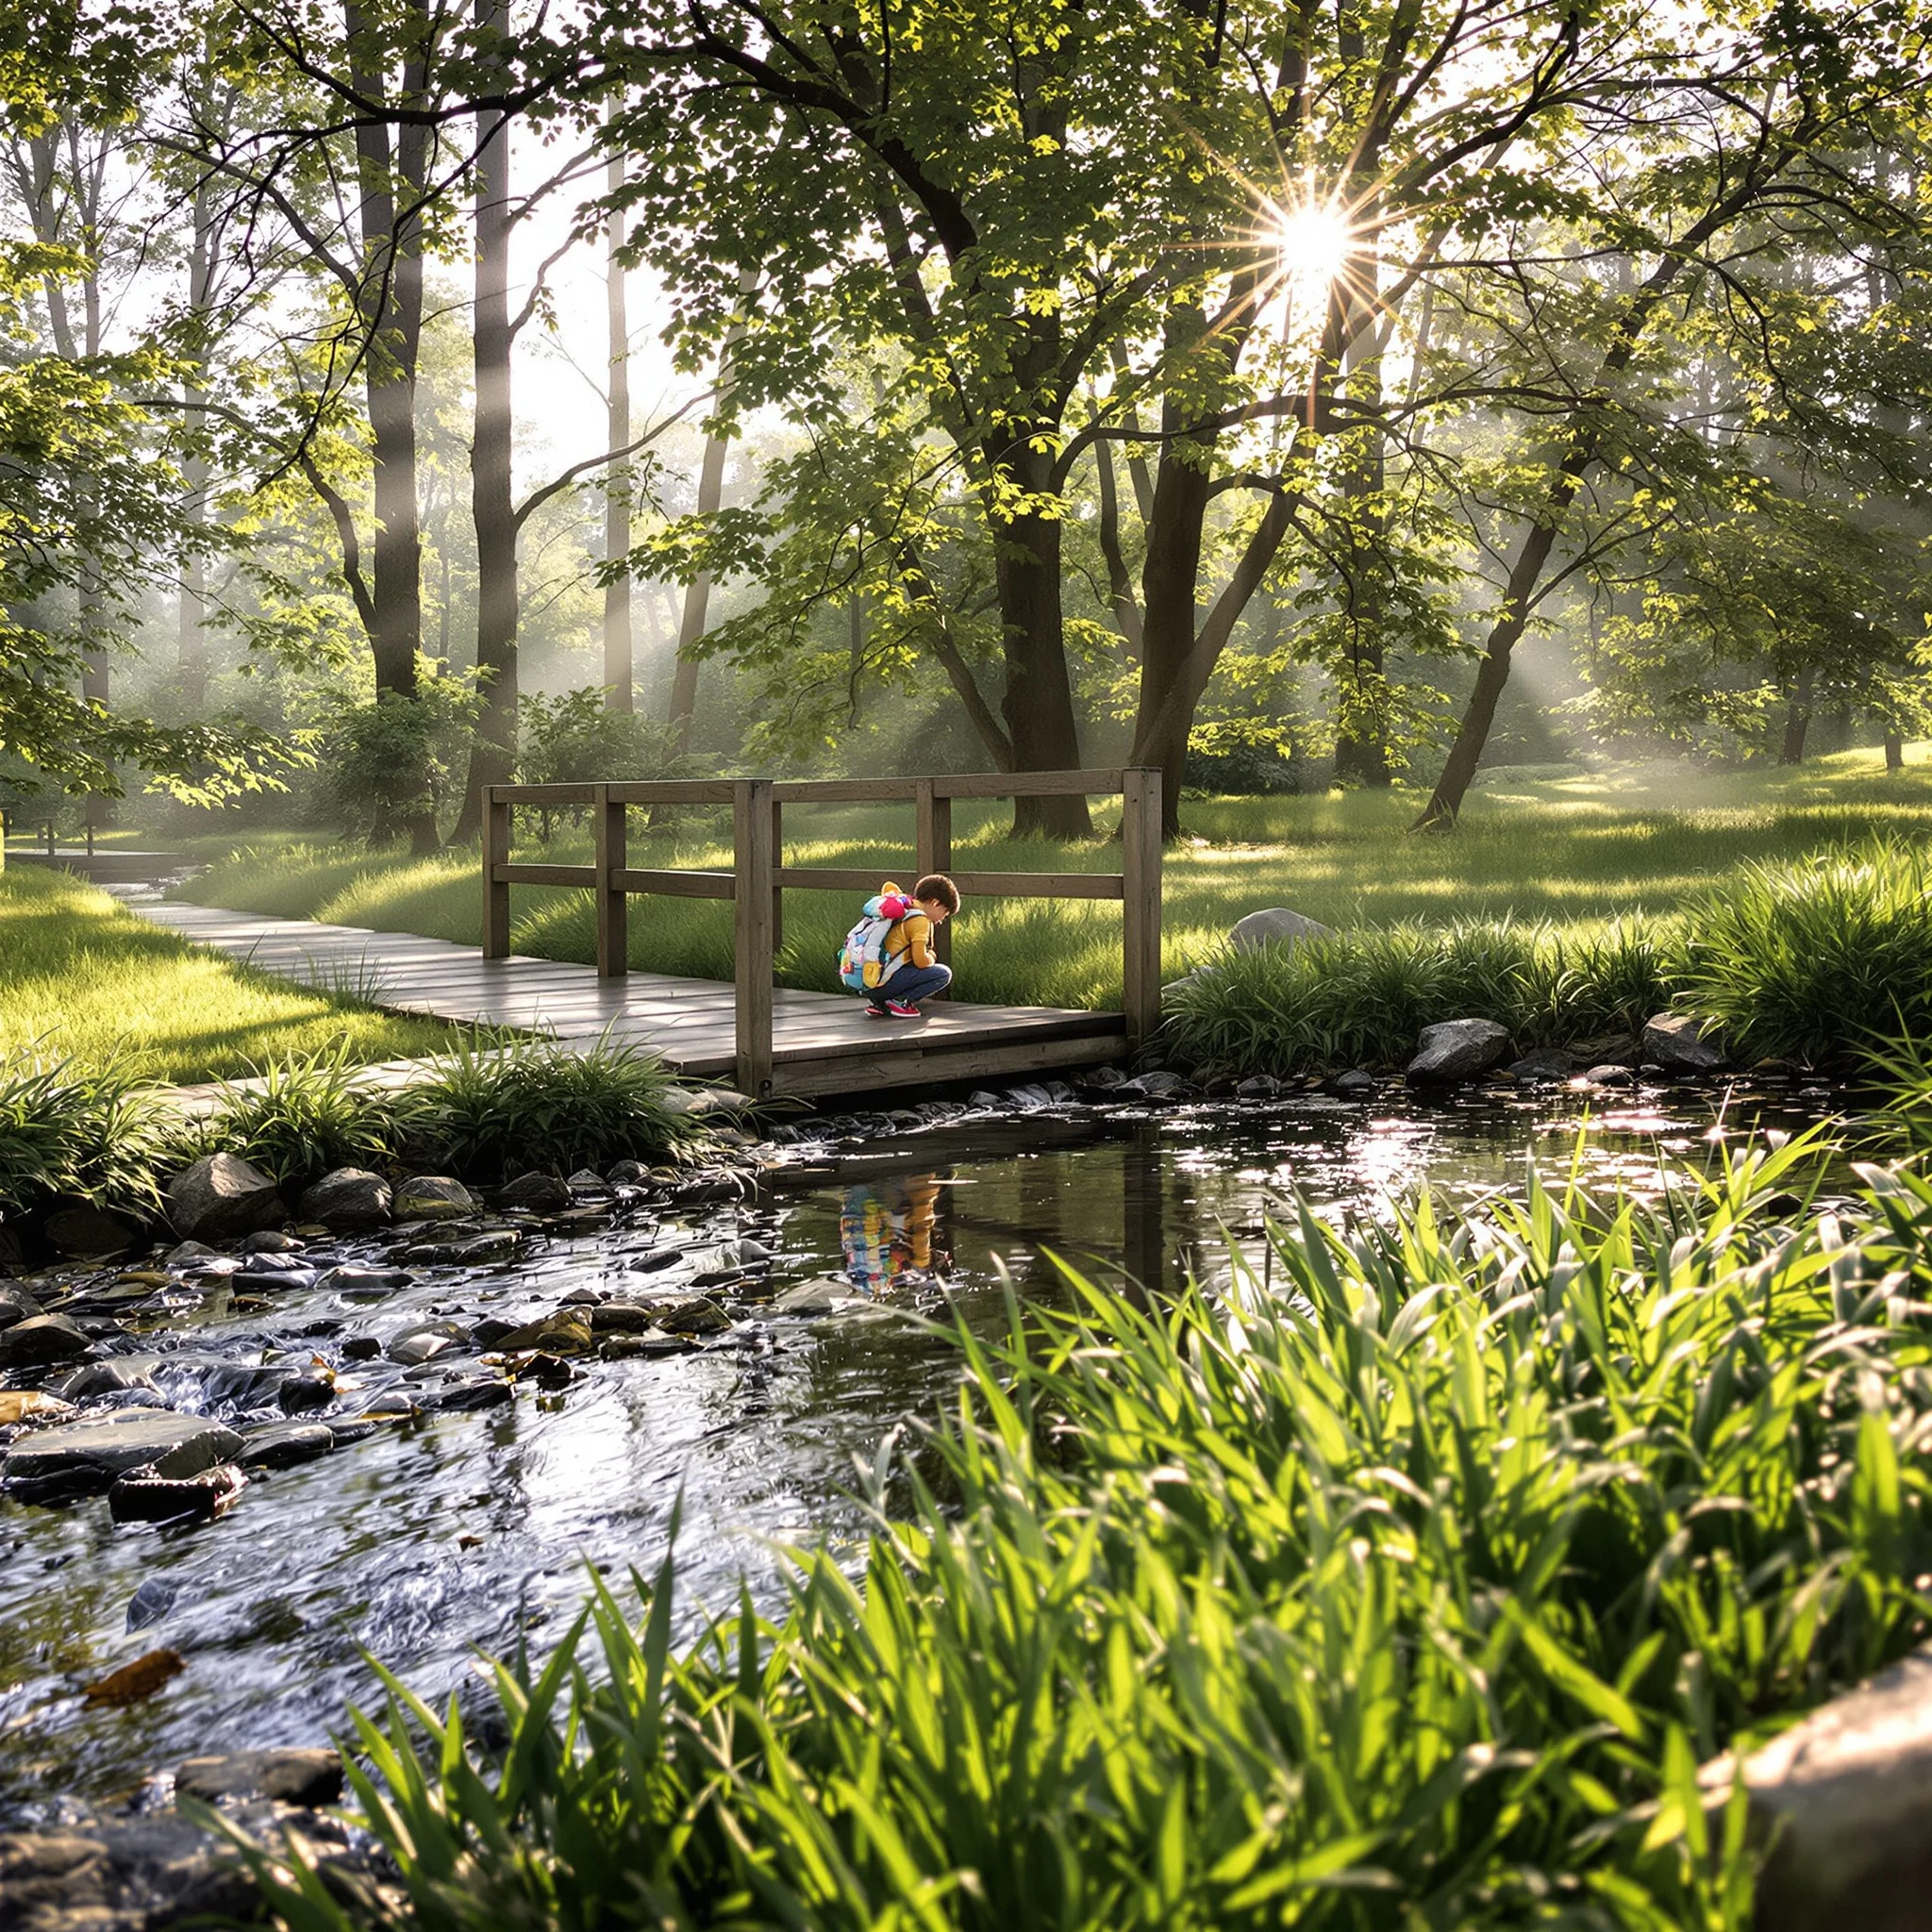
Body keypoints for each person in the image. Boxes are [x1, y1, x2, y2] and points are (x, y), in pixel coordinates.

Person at [860, 873, 958, 1018]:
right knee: (943, 974)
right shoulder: (920, 920)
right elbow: (920, 961)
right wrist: (931, 957)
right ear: (935, 903)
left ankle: (880, 1004)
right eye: (944, 914)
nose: (941, 920)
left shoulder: (904, 908)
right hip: (882, 983)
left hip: (866, 982)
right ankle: (900, 1002)